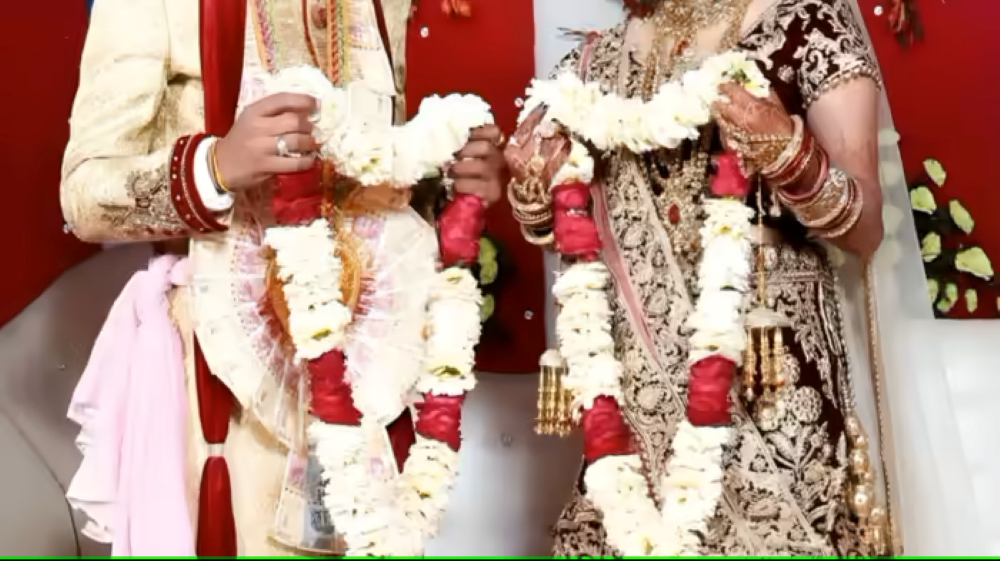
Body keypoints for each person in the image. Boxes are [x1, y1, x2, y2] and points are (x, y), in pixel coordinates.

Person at [507, 0, 980, 556]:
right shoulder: (594, 63)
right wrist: (535, 187)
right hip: (636, 405)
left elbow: (865, 225)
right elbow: (568, 226)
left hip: (769, 389)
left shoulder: (805, 25)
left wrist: (789, 155)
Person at [60, 0, 505, 556]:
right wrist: (216, 166)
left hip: (366, 377)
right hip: (227, 376)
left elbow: (376, 191)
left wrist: (455, 180)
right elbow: (84, 195)